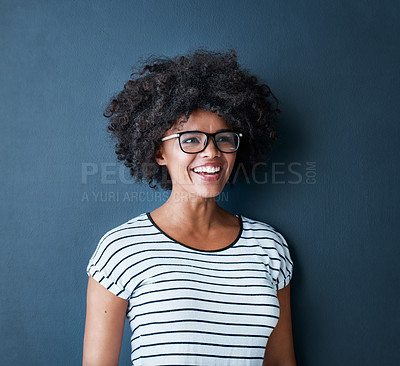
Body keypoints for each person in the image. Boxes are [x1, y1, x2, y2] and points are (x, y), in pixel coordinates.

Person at [83, 49, 296, 366]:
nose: (212, 153)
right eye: (191, 140)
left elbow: (281, 362)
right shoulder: (122, 249)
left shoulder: (268, 246)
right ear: (159, 152)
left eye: (223, 138)